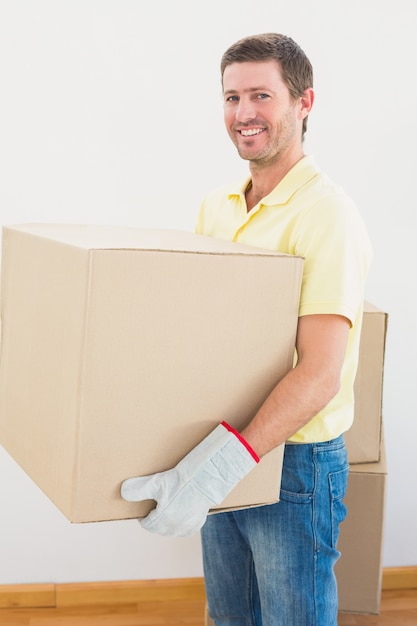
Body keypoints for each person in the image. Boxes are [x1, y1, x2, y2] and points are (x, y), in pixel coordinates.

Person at [121, 32, 372, 625]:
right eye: (231, 98)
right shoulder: (218, 207)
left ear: (304, 103)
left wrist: (216, 471)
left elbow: (319, 375)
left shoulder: (327, 215)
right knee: (231, 618)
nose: (243, 114)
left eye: (261, 95)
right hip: (223, 442)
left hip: (293, 464)